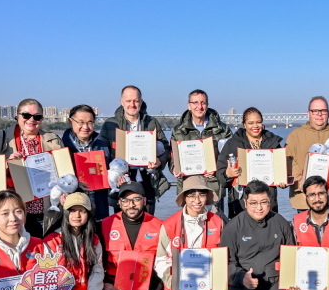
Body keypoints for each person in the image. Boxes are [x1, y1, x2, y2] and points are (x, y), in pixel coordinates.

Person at [219, 180, 296, 290]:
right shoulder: (233, 227)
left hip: (270, 278)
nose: (259, 208)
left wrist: (291, 280)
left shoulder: (281, 222)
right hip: (242, 277)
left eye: (264, 202)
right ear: (245, 202)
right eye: (253, 203)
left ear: (271, 201)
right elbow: (225, 262)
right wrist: (241, 277)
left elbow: (290, 255)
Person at [155, 176, 227, 290]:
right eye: (191, 195)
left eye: (201, 195)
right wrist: (173, 283)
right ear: (184, 198)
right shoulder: (168, 225)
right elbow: (160, 261)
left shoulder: (218, 222)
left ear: (207, 197)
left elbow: (224, 257)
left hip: (208, 284)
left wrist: (218, 283)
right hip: (180, 286)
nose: (197, 200)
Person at [98, 182, 168, 290]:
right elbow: (95, 261)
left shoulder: (159, 226)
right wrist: (104, 285)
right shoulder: (104, 225)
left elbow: (168, 264)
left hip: (146, 287)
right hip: (114, 286)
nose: (131, 204)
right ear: (119, 203)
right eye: (126, 200)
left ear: (144, 201)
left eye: (136, 199)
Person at [0, 98, 64, 238]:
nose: (31, 120)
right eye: (26, 115)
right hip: (13, 214)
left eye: (37, 117)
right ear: (17, 116)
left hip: (44, 211)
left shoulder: (54, 140)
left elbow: (63, 174)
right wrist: (5, 165)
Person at [101, 85, 172, 216]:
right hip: (122, 183)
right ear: (121, 102)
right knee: (123, 227)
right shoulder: (110, 124)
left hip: (147, 181)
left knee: (149, 225)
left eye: (136, 101)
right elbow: (102, 154)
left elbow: (165, 147)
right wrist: (113, 175)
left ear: (141, 101)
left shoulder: (152, 122)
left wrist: (159, 162)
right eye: (128, 101)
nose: (132, 105)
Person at [286, 96, 329, 211]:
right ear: (308, 113)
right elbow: (288, 163)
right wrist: (303, 186)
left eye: (323, 111)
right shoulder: (295, 135)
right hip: (304, 203)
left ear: (328, 113)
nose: (319, 114)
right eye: (315, 111)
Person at [217, 107, 286, 218]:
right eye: (251, 123)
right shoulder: (232, 144)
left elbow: (282, 170)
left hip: (267, 202)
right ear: (244, 124)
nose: (255, 126)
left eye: (259, 122)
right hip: (241, 203)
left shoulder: (273, 142)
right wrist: (227, 174)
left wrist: (283, 181)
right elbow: (220, 174)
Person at [170, 89, 233, 203]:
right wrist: (174, 168)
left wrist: (219, 169)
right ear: (189, 106)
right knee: (190, 220)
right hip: (188, 187)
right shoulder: (178, 131)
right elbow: (171, 157)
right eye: (195, 103)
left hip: (214, 186)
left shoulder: (222, 129)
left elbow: (232, 155)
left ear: (207, 105)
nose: (199, 106)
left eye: (203, 103)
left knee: (215, 219)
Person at [60, 104, 113, 223]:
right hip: (73, 211)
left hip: (99, 207)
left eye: (90, 122)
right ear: (70, 121)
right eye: (81, 122)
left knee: (99, 240)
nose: (85, 127)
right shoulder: (60, 146)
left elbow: (109, 173)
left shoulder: (102, 146)